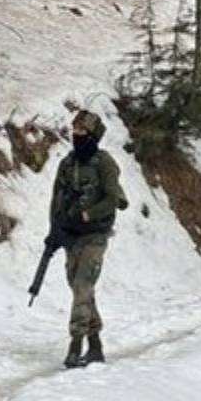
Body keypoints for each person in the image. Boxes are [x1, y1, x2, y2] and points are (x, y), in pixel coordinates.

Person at [49, 109, 127, 368]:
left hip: (95, 235)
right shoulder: (67, 164)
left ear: (93, 135)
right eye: (75, 130)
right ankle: (95, 346)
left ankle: (75, 345)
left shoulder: (104, 163)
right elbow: (56, 199)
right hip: (72, 235)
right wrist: (54, 231)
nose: (76, 134)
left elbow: (113, 198)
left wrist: (88, 214)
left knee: (83, 286)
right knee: (79, 287)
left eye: (82, 130)